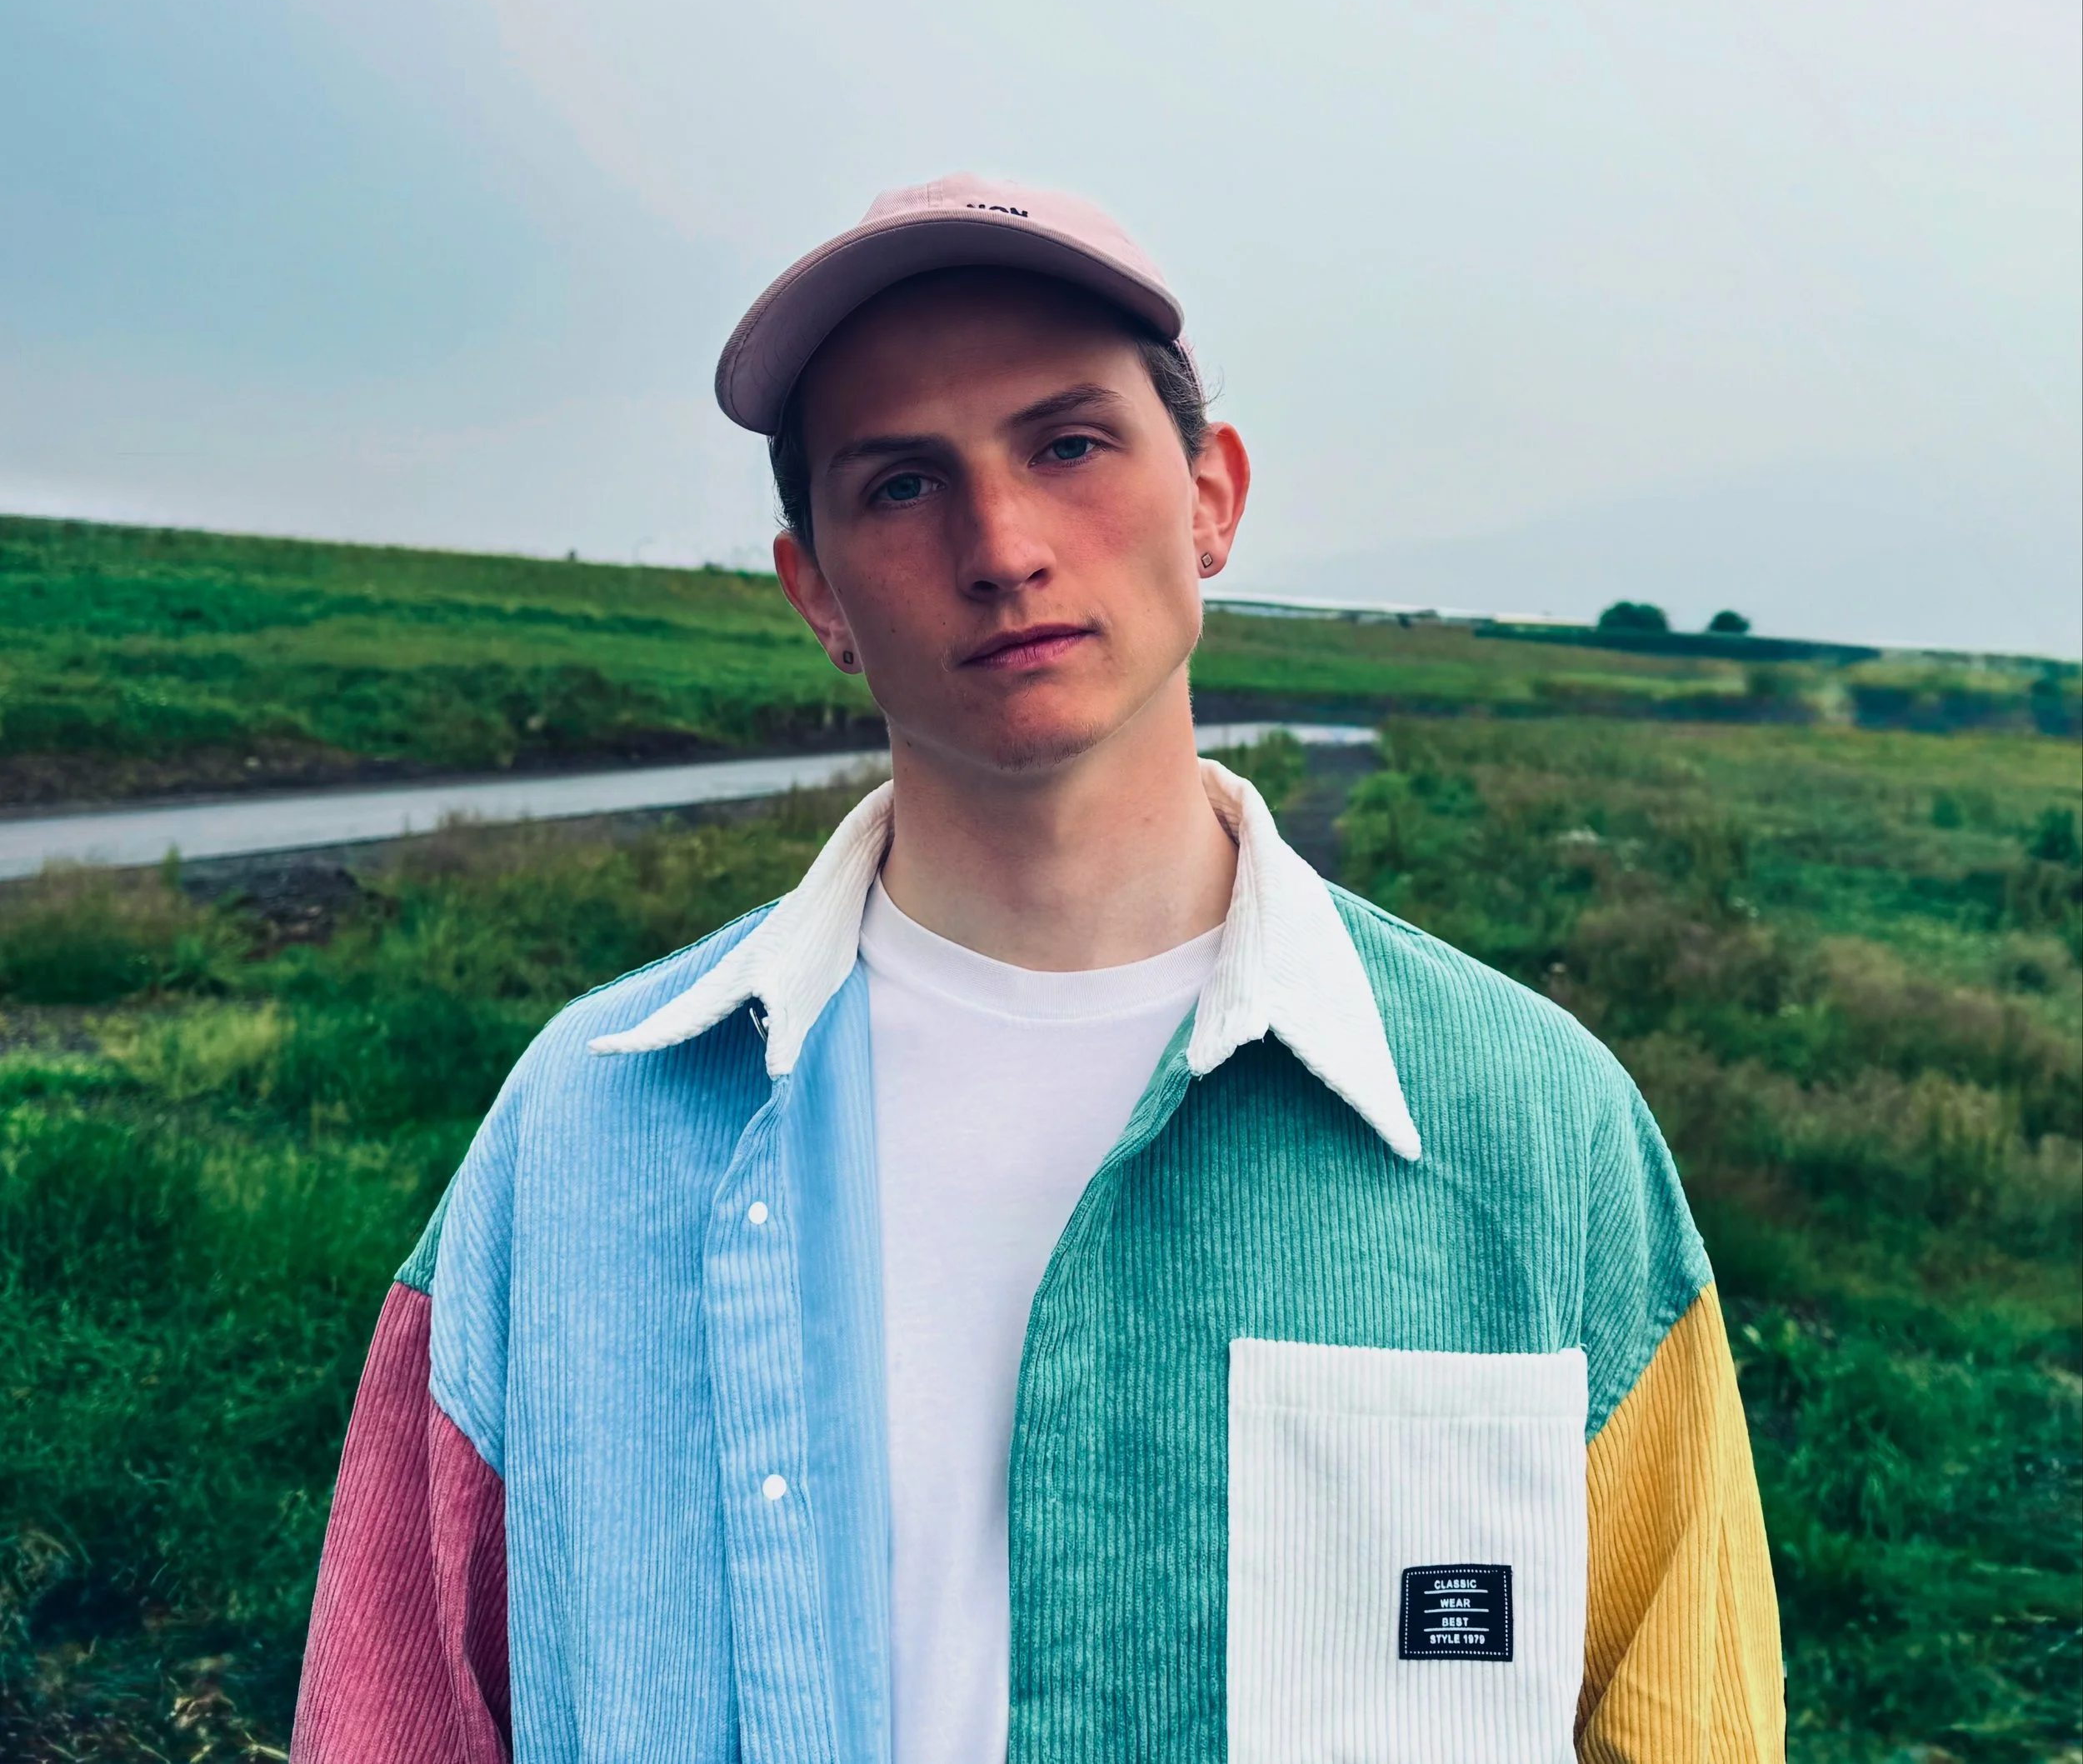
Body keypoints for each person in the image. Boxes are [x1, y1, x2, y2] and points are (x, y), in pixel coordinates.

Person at [291, 175, 1785, 1763]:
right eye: (900, 486)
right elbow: (395, 1722)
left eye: (1068, 444)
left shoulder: (1538, 1129)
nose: (1002, 545)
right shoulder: (576, 1138)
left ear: (1213, 494)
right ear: (819, 595)